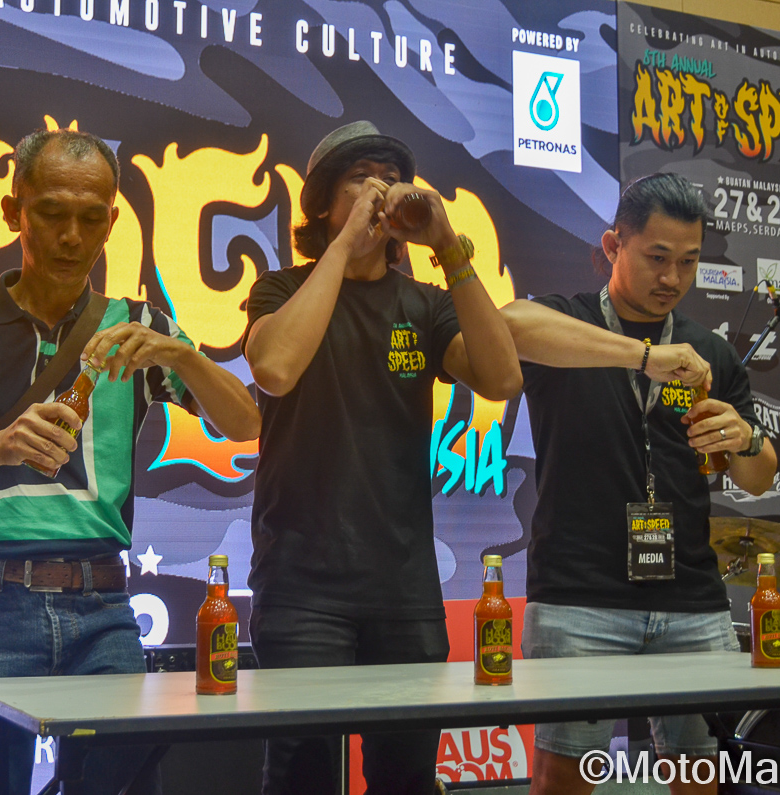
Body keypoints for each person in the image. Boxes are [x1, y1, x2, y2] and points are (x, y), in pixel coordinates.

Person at [0, 128, 261, 795]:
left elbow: (247, 424)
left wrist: (180, 353)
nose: (71, 236)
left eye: (91, 218)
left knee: (125, 776)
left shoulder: (138, 329)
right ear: (13, 212)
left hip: (102, 606)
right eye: (52, 213)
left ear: (112, 222)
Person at [240, 120, 523, 795]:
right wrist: (345, 247)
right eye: (358, 180)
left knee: (408, 777)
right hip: (302, 587)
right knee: (303, 776)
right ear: (321, 206)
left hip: (404, 589)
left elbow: (502, 377)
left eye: (389, 180)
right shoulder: (279, 290)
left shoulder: (424, 305)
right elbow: (274, 367)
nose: (378, 191)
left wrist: (447, 245)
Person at [500, 173, 778, 795]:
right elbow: (509, 324)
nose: (672, 278)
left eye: (688, 262)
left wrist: (744, 438)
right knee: (563, 780)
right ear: (613, 246)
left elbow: (759, 478)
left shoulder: (708, 354)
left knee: (699, 778)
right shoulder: (569, 322)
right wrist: (643, 356)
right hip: (579, 596)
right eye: (657, 257)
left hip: (692, 601)